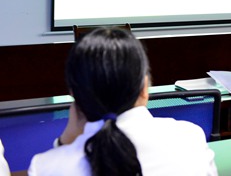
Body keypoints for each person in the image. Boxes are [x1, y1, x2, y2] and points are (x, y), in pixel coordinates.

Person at [28, 27, 217, 176]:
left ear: (74, 95)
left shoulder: (44, 167)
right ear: (144, 87)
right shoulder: (190, 138)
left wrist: (63, 143)